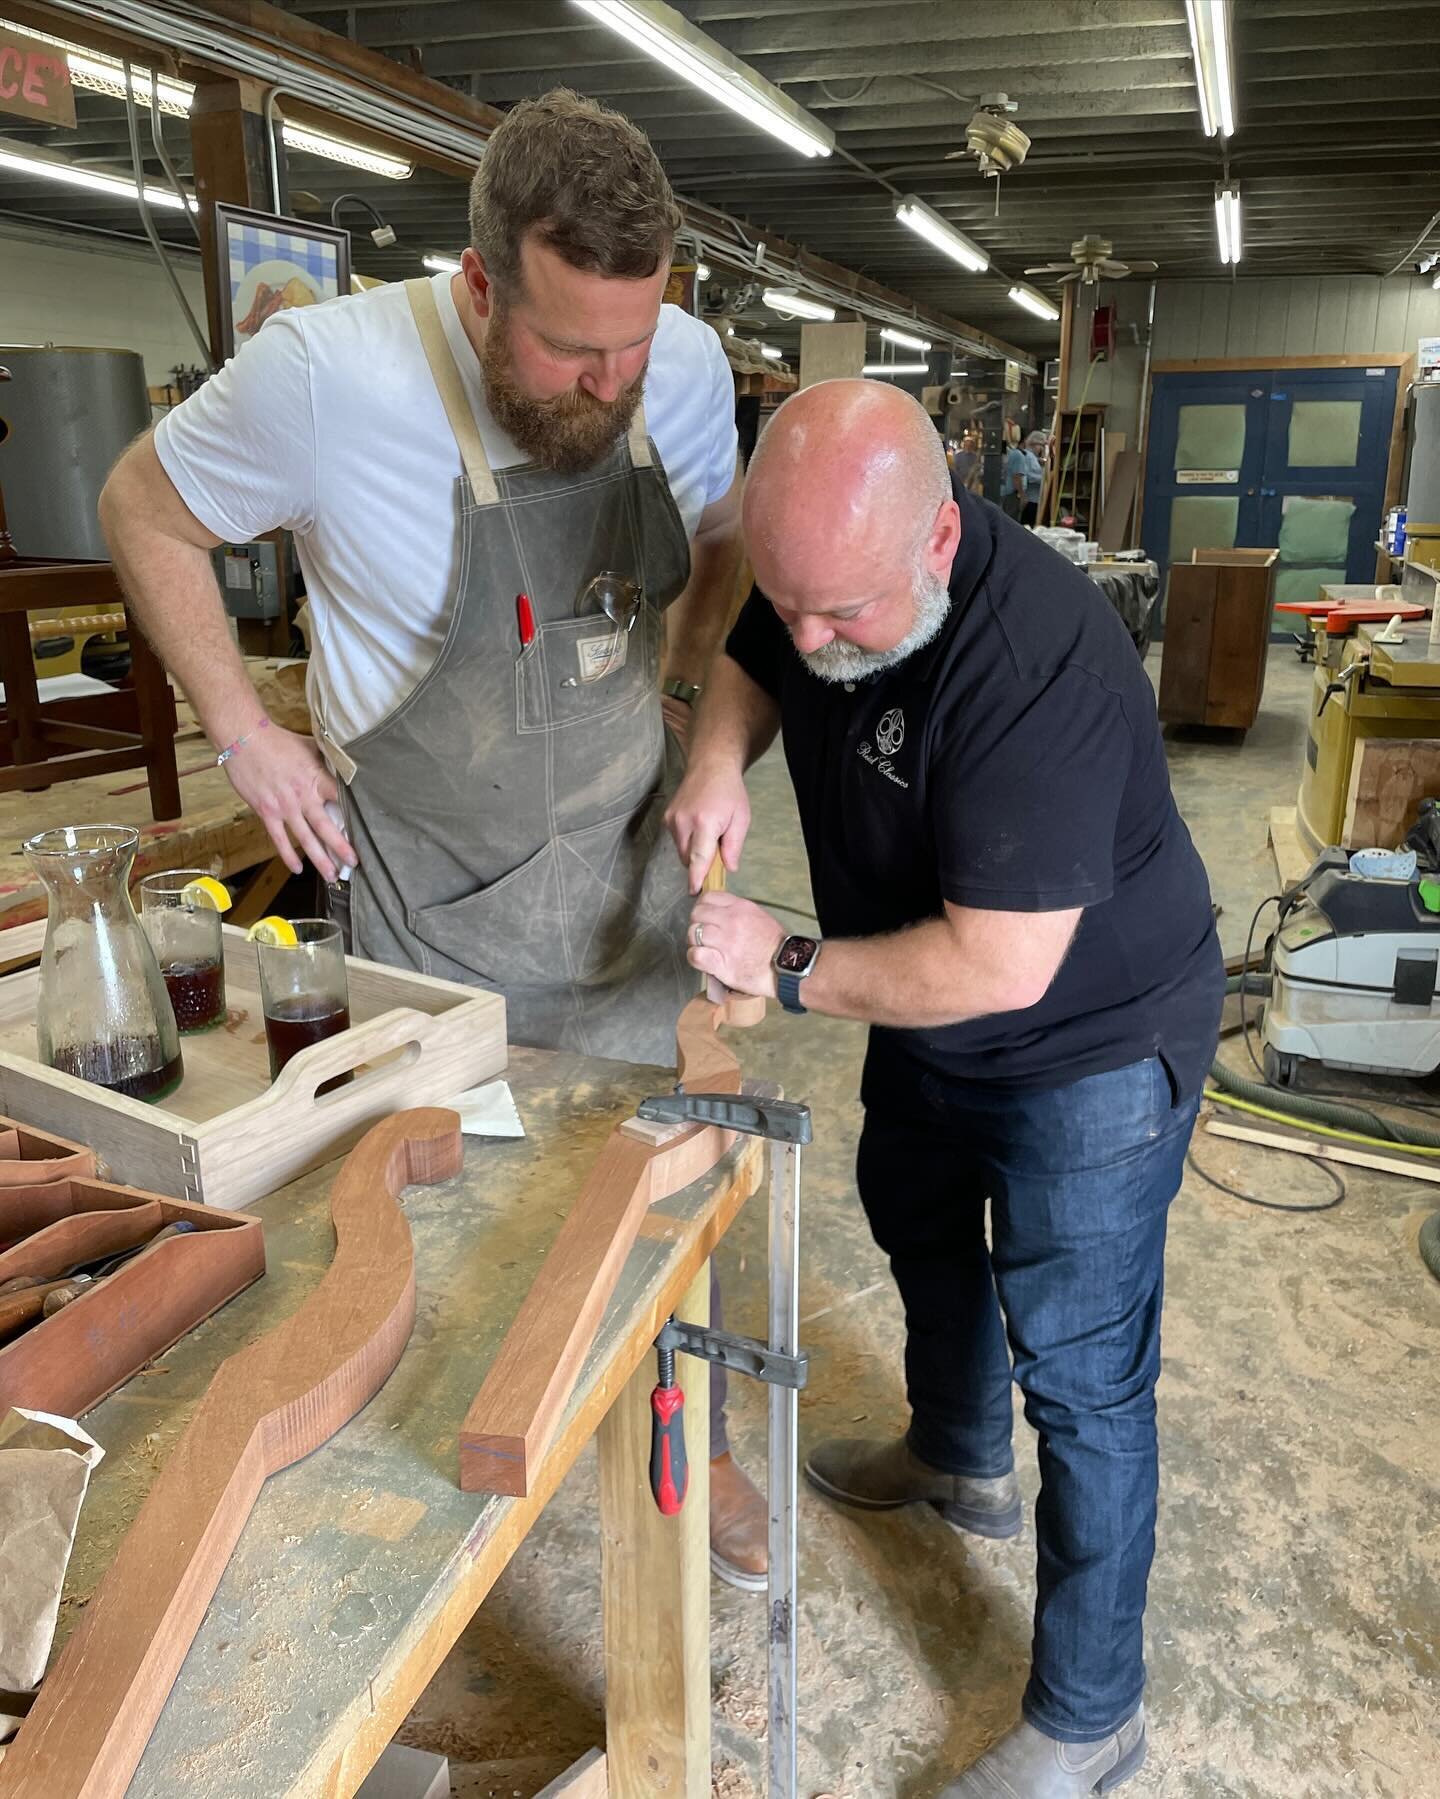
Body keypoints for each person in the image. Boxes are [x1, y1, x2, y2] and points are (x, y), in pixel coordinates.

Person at [98, 88, 767, 1588]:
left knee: (671, 1179)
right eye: (568, 348)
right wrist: (244, 728)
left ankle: (700, 1431)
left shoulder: (688, 365)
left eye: (632, 346)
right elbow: (143, 507)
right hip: (436, 911)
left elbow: (718, 540)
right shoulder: (326, 379)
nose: (608, 384)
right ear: (477, 286)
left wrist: (684, 695)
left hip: (626, 884)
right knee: (458, 1223)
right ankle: (457, 1500)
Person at [665, 379, 1223, 1795]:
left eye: (841, 612)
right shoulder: (817, 584)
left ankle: (1093, 1714)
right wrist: (719, 760)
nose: (809, 639)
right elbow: (749, 643)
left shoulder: (1038, 665)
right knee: (916, 1209)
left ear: (938, 540)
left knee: (1087, 1378)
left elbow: (998, 966)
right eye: (792, 598)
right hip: (925, 1005)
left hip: (1083, 1035)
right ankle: (957, 1450)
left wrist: (788, 956)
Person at [1004, 423, 1044, 525]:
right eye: (1041, 445)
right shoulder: (1021, 455)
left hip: (1022, 496)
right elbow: (1019, 476)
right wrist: (1022, 495)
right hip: (1020, 496)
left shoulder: (1024, 455)